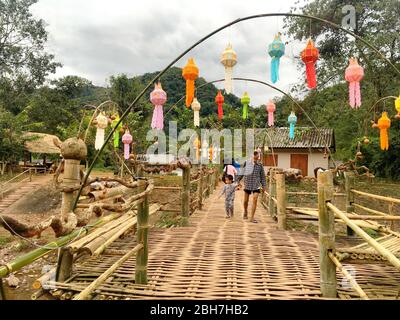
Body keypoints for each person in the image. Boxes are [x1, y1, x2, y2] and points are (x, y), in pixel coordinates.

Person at [237, 150, 267, 223]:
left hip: (256, 185)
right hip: (248, 184)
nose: (256, 156)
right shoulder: (246, 163)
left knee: (255, 199)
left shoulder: (260, 165)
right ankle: (245, 211)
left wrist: (264, 186)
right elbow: (241, 172)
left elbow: (262, 176)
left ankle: (252, 217)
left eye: (257, 154)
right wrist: (238, 181)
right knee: (245, 201)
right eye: (255, 154)